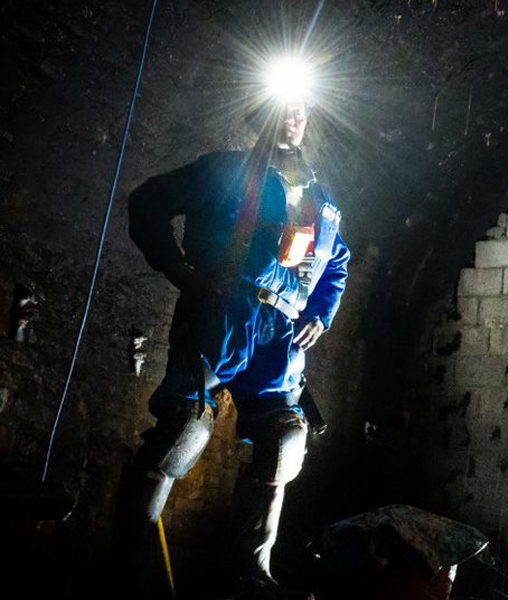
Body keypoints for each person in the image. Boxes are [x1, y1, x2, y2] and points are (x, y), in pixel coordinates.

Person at [118, 100, 349, 598]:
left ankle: (250, 574)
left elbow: (336, 265)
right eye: (282, 108)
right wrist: (177, 269)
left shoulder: (322, 198)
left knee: (284, 440)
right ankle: (128, 567)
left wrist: (320, 317)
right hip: (222, 313)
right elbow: (147, 201)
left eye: (301, 110)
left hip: (282, 335)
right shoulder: (221, 170)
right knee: (184, 427)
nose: (293, 117)